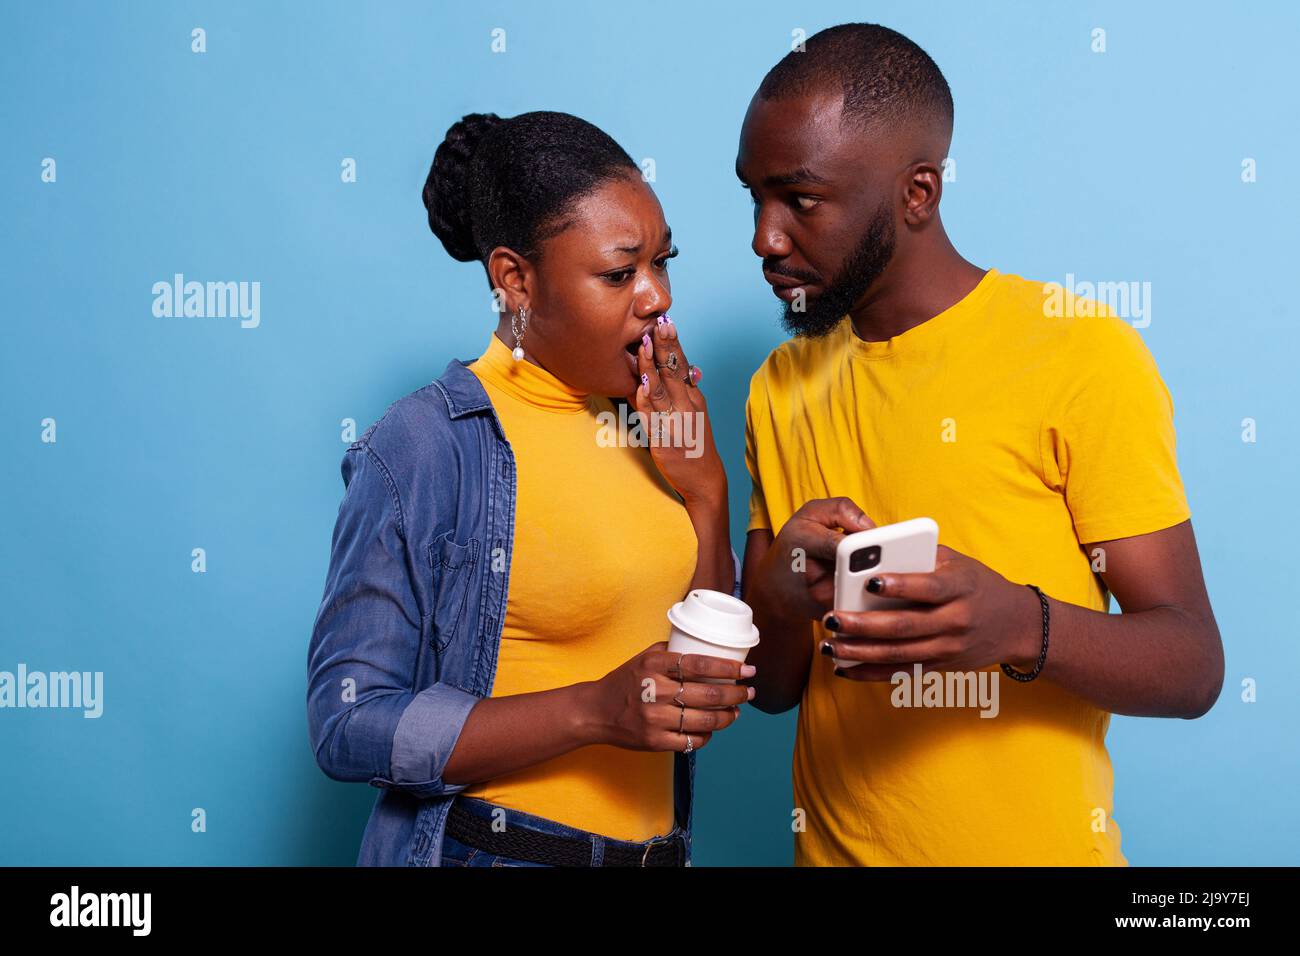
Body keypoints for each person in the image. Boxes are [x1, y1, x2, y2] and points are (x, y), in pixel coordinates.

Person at [736, 24, 1224, 865]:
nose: (765, 238)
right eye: (755, 198)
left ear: (917, 192)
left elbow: (1192, 665)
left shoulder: (1079, 353)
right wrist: (784, 583)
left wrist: (1018, 627)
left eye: (800, 200)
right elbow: (776, 691)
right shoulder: (779, 385)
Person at [307, 110, 751, 867]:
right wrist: (593, 710)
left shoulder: (653, 425)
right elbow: (347, 723)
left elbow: (708, 681)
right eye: (619, 274)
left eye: (662, 263)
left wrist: (707, 491)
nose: (655, 299)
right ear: (515, 280)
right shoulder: (426, 443)